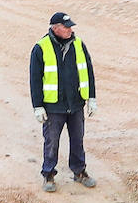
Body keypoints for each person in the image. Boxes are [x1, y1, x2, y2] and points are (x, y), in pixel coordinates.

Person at [30, 11, 98, 192]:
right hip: (54, 107)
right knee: (51, 141)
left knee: (78, 139)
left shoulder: (78, 44)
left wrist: (91, 97)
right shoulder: (41, 48)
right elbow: (35, 79)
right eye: (66, 27)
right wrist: (37, 106)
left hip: (75, 104)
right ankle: (49, 174)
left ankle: (79, 171)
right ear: (55, 28)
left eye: (70, 27)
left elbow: (88, 72)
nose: (70, 30)